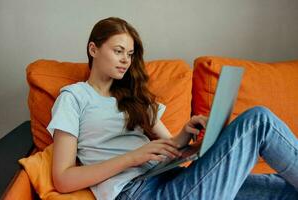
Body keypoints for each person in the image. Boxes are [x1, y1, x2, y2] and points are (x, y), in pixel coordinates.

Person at [47, 17, 298, 200]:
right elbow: (63, 178)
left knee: (285, 187)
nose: (126, 59)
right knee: (259, 121)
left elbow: (173, 150)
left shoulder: (133, 97)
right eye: (118, 51)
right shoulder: (74, 97)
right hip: (137, 193)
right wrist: (134, 157)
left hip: (171, 177)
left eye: (130, 53)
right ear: (94, 49)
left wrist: (187, 137)